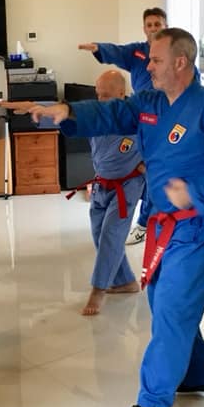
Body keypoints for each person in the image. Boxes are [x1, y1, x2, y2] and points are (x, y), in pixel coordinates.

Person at [8, 28, 204, 407]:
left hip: (200, 226)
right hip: (161, 221)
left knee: (173, 309)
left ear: (181, 62)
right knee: (164, 303)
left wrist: (196, 193)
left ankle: (152, 405)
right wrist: (64, 110)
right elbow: (110, 113)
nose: (148, 67)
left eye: (155, 60)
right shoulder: (150, 104)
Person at [79, 7, 167, 246]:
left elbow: (191, 80)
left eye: (157, 24)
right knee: (143, 171)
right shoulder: (137, 53)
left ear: (165, 26)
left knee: (158, 174)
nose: (153, 29)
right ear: (144, 28)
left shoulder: (174, 54)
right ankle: (142, 224)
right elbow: (117, 51)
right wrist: (98, 48)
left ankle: (153, 222)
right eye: (149, 25)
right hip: (143, 118)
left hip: (167, 119)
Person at [67, 70, 144, 316]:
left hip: (127, 186)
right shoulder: (97, 117)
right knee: (99, 234)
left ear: (122, 94)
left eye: (107, 95)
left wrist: (147, 165)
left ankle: (98, 290)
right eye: (98, 95)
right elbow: (72, 121)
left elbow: (160, 145)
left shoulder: (137, 117)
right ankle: (125, 281)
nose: (101, 100)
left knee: (111, 235)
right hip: (102, 184)